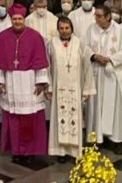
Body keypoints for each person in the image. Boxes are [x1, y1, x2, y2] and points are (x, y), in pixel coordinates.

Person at [0, 4, 49, 162]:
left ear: (24, 19)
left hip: (29, 82)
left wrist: (41, 82)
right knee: (14, 119)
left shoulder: (35, 37)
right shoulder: (3, 37)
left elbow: (41, 62)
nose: (17, 21)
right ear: (11, 19)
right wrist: (0, 82)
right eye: (14, 19)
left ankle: (30, 152)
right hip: (11, 82)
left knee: (30, 119)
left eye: (20, 19)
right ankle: (16, 151)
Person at [85, 5, 122, 153]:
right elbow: (85, 47)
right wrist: (94, 56)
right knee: (96, 107)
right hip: (96, 74)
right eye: (95, 16)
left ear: (108, 17)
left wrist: (111, 59)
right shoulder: (91, 29)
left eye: (99, 16)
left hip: (114, 74)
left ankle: (117, 140)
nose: (96, 18)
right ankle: (97, 139)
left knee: (116, 109)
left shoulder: (120, 31)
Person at [46, 16, 95, 160]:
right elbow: (47, 67)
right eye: (61, 28)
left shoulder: (80, 44)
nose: (64, 31)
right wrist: (48, 87)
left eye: (67, 28)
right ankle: (61, 152)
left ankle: (74, 152)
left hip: (75, 88)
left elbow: (87, 67)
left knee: (75, 119)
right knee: (59, 120)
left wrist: (87, 89)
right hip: (58, 88)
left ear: (71, 28)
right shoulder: (51, 44)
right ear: (58, 29)